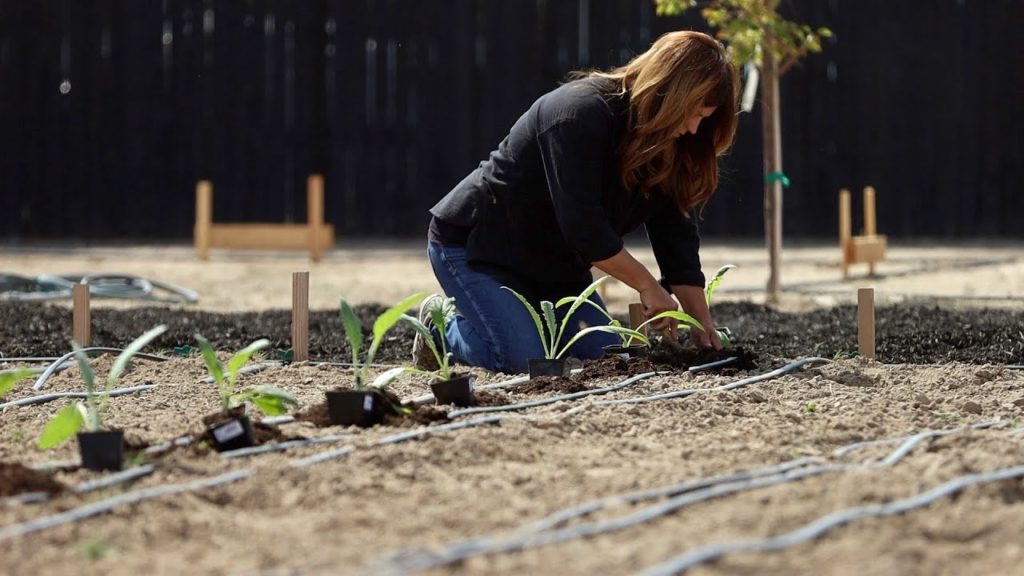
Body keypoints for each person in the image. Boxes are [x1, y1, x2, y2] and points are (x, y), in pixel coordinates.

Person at [415, 30, 740, 374]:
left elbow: (676, 236)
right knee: (523, 360)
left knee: (609, 357)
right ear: (668, 92)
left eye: (704, 117)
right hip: (480, 249)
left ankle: (515, 319)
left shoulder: (669, 143)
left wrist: (701, 323)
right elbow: (584, 227)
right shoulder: (578, 114)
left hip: (557, 268)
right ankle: (440, 327)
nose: (693, 128)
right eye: (692, 112)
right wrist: (646, 285)